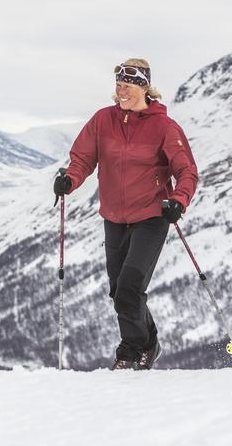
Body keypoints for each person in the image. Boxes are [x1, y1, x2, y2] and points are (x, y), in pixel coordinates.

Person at [54, 58, 199, 370]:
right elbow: (82, 158)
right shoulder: (102, 120)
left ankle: (130, 351)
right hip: (114, 217)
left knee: (130, 287)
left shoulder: (164, 127)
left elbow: (187, 171)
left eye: (128, 85)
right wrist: (70, 180)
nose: (121, 90)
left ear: (144, 87)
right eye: (118, 84)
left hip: (152, 216)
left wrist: (178, 200)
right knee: (118, 290)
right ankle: (149, 342)